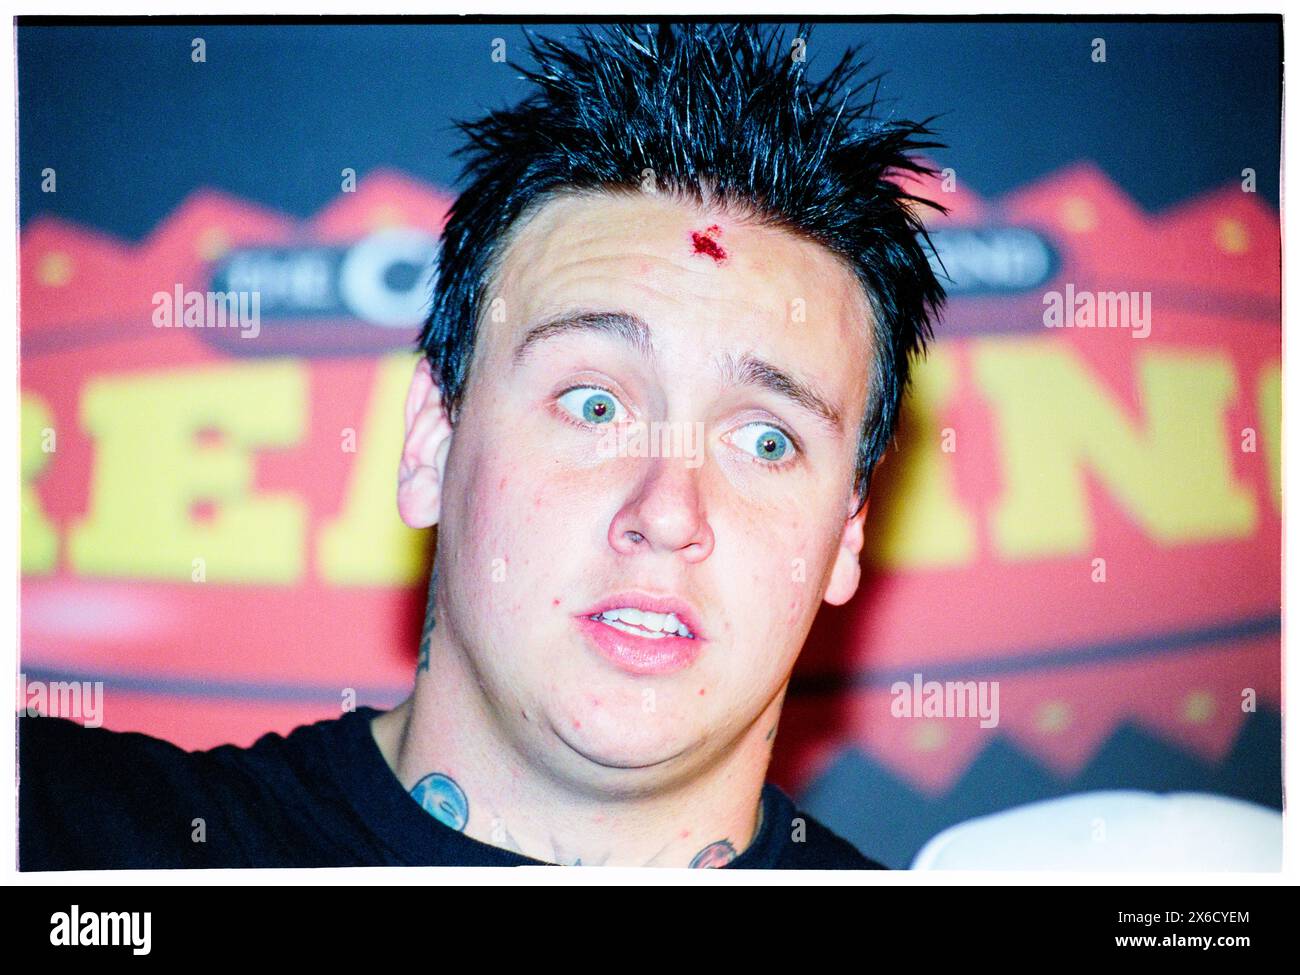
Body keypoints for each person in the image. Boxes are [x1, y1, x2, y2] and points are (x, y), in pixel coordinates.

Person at [19, 22, 946, 870]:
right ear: (430, 437)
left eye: (766, 440)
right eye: (593, 405)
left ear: (848, 535)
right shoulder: (65, 835)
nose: (668, 513)